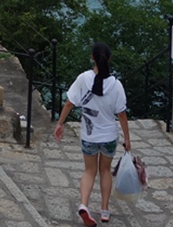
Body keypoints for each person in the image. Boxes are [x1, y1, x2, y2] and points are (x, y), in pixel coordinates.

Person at [53, 42, 132, 227]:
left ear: (92, 58)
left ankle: (84, 205)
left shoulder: (83, 79)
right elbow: (121, 113)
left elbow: (69, 103)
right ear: (109, 59)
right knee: (105, 171)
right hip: (109, 137)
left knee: (89, 171)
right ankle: (104, 210)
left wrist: (60, 124)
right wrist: (127, 138)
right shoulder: (116, 85)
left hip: (89, 136)